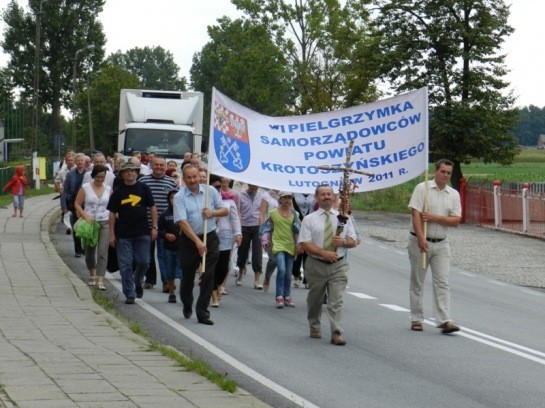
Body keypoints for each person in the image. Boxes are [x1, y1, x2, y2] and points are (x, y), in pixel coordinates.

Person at [298, 185, 358, 346]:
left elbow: (354, 240)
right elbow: (304, 243)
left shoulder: (344, 218)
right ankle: (314, 326)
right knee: (315, 299)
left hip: (338, 265)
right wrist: (324, 253)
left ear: (333, 197)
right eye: (323, 194)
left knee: (336, 300)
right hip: (316, 264)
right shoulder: (309, 219)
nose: (326, 197)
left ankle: (336, 332)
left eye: (329, 194)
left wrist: (344, 241)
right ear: (316, 198)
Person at [408, 159, 462, 334]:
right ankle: (416, 318)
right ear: (435, 171)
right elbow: (416, 214)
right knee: (418, 280)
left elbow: (455, 221)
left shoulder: (453, 194)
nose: (445, 175)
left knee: (442, 281)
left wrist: (434, 217)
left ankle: (445, 320)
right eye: (443, 171)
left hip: (441, 242)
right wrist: (421, 238)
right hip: (420, 240)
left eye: (448, 173)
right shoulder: (422, 189)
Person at [173, 164, 228, 325]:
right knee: (188, 277)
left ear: (199, 176)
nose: (192, 180)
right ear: (184, 179)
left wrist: (212, 213)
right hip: (189, 240)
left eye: (194, 177)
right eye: (188, 178)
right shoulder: (179, 197)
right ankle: (187, 301)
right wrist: (197, 242)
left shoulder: (210, 191)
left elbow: (225, 210)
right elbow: (182, 222)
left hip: (210, 236)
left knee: (208, 274)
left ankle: (203, 312)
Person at [107, 162, 158, 304]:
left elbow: (152, 207)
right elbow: (112, 213)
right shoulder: (118, 191)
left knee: (144, 261)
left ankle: (137, 281)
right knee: (126, 265)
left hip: (142, 231)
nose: (130, 173)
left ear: (137, 173)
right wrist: (111, 234)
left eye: (133, 171)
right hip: (123, 233)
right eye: (127, 171)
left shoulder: (144, 188)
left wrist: (154, 226)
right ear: (122, 174)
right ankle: (129, 293)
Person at [139, 156, 178, 292]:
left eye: (162, 165)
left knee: (164, 255)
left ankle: (167, 281)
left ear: (166, 167)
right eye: (156, 165)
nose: (159, 167)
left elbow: (177, 203)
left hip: (165, 225)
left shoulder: (171, 182)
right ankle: (150, 280)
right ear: (151, 165)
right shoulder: (143, 181)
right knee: (147, 255)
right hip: (146, 223)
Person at [74, 165, 111, 290]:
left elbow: (113, 207)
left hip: (104, 222)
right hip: (90, 223)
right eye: (98, 177)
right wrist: (85, 216)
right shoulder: (85, 188)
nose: (100, 179)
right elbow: (77, 204)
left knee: (102, 252)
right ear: (93, 176)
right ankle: (92, 271)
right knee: (89, 253)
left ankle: (100, 279)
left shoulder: (108, 189)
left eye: (103, 177)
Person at [261, 191, 301, 308]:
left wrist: (298, 245)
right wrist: (265, 240)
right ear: (280, 199)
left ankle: (287, 297)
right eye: (285, 198)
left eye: (289, 198)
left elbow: (297, 231)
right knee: (282, 269)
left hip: (290, 245)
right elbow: (267, 228)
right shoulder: (273, 213)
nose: (288, 200)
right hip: (277, 244)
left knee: (288, 274)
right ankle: (279, 296)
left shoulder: (295, 214)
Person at [210, 176, 242, 308]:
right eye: (215, 187)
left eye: (219, 187)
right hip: (210, 234)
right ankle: (214, 296)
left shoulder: (229, 202)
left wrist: (238, 233)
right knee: (211, 265)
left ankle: (218, 285)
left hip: (225, 235)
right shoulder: (206, 200)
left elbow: (235, 219)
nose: (218, 190)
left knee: (223, 266)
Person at [235, 184, 264, 289]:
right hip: (244, 226)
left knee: (257, 253)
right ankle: (240, 273)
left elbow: (263, 212)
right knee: (242, 251)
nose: (253, 187)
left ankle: (257, 280)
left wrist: (263, 229)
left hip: (257, 227)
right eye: (251, 185)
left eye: (255, 185)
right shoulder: (240, 195)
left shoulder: (261, 196)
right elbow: (238, 211)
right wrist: (238, 226)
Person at [158, 190, 182, 303]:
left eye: (177, 198)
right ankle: (171, 292)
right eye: (172, 198)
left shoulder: (184, 212)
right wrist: (166, 235)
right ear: (168, 199)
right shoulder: (164, 215)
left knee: (184, 270)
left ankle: (184, 292)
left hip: (183, 246)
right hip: (169, 247)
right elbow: (159, 231)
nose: (174, 200)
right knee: (170, 270)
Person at [63, 153, 88, 257]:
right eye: (77, 160)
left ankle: (86, 249)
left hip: (87, 203)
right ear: (75, 162)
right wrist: (64, 205)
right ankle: (78, 250)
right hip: (74, 203)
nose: (79, 162)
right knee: (76, 227)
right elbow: (66, 191)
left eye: (81, 160)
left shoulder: (89, 173)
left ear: (84, 161)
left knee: (87, 227)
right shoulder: (70, 174)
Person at [292, 192, 316, 287]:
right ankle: (296, 276)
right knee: (297, 250)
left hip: (310, 223)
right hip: (297, 221)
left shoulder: (314, 193)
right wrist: (297, 219)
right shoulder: (295, 193)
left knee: (308, 251)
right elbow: (292, 207)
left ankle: (307, 278)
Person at [260, 189, 280, 291]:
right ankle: (267, 276)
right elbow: (262, 214)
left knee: (281, 260)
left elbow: (292, 212)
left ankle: (282, 291)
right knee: (273, 259)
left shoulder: (286, 194)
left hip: (284, 231)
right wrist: (262, 230)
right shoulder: (266, 196)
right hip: (270, 230)